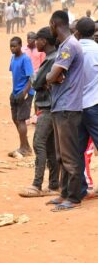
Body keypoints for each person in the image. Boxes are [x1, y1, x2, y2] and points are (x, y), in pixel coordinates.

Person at [46, 10, 85, 211]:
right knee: (62, 155)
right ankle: (64, 193)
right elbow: (55, 75)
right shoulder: (65, 45)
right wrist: (53, 76)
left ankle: (74, 197)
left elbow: (52, 76)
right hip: (60, 105)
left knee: (70, 155)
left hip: (68, 107)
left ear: (54, 24)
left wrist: (49, 77)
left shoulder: (69, 46)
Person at [19, 27, 59, 197]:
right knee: (50, 146)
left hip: (48, 107)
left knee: (39, 143)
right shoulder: (51, 58)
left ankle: (37, 184)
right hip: (49, 107)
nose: (35, 43)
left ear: (43, 41)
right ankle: (54, 184)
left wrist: (37, 78)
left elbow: (36, 82)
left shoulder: (51, 59)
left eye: (37, 39)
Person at [74, 18, 98, 199]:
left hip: (75, 107)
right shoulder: (96, 51)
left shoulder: (72, 50)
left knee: (78, 150)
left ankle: (80, 190)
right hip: (94, 105)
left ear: (78, 32)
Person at [8, 36, 34, 158]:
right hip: (15, 92)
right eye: (11, 46)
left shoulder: (25, 59)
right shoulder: (13, 58)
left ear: (20, 45)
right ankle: (26, 146)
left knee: (21, 119)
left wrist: (24, 93)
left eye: (15, 46)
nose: (12, 48)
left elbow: (31, 78)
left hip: (25, 93)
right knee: (15, 119)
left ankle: (24, 148)